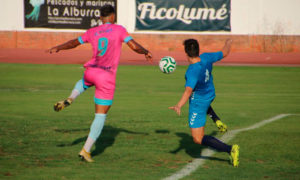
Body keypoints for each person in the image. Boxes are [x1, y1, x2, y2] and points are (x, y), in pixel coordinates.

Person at [46, 5, 152, 162]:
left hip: (91, 71)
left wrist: (58, 47)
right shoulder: (119, 29)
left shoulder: (93, 31)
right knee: (100, 115)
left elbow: (74, 42)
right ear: (113, 16)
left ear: (101, 18)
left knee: (83, 82)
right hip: (106, 77)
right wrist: (146, 52)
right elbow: (134, 46)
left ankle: (71, 98)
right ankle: (86, 150)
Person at [169, 39, 239, 167]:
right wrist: (228, 43)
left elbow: (188, 91)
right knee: (203, 101)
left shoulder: (192, 71)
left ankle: (230, 149)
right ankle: (216, 119)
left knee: (198, 138)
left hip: (199, 103)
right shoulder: (206, 57)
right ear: (198, 50)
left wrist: (179, 105)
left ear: (186, 53)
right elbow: (224, 53)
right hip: (210, 93)